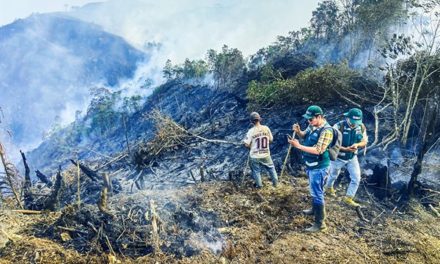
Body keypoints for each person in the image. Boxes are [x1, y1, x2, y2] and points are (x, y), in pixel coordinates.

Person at [288, 105, 333, 232]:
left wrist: (299, 146)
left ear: (319, 117)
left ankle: (320, 224)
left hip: (319, 167)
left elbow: (319, 150)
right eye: (307, 119)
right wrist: (298, 132)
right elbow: (304, 135)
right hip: (310, 165)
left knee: (317, 193)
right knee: (314, 190)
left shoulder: (327, 131)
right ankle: (314, 210)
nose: (308, 121)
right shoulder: (312, 125)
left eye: (311, 119)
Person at [325, 108, 368, 207]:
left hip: (352, 157)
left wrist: (357, 145)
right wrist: (344, 149)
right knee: (333, 175)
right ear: (347, 117)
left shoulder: (361, 127)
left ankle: (348, 198)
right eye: (353, 122)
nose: (354, 124)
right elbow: (330, 143)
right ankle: (328, 188)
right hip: (338, 157)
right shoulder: (338, 126)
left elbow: (364, 141)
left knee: (356, 178)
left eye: (357, 122)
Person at [243, 112, 278, 189]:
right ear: (259, 119)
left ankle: (260, 187)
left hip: (255, 155)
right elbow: (271, 140)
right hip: (266, 153)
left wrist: (251, 146)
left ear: (251, 121)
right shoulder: (266, 128)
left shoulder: (251, 131)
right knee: (272, 169)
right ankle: (276, 185)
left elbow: (246, 144)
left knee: (256, 171)